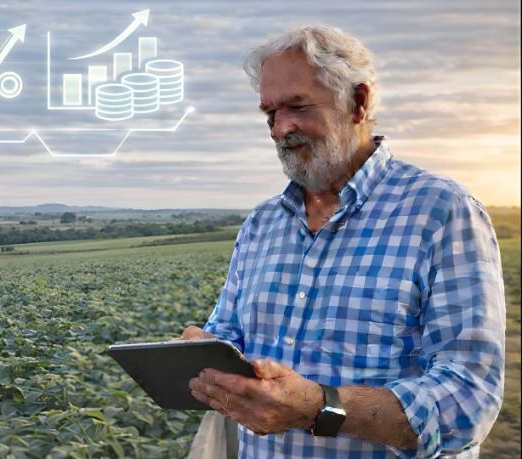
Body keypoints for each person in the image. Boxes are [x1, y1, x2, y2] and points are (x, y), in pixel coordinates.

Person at [182, 25, 505, 458]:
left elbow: (469, 399)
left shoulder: (441, 211)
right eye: (269, 114)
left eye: (297, 107)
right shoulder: (261, 224)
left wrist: (319, 408)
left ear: (358, 102)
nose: (280, 129)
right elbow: (229, 334)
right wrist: (205, 352)